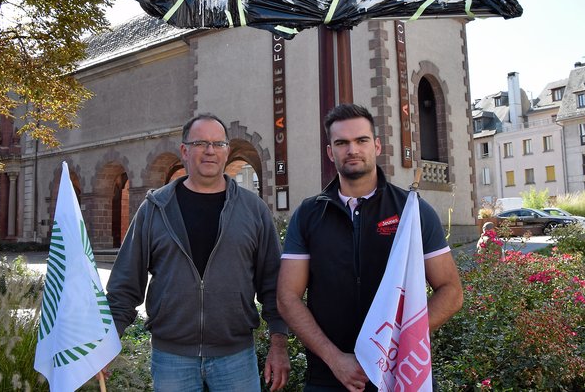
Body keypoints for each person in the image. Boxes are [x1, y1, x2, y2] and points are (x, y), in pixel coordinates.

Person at [277, 103, 464, 391]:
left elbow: (451, 291)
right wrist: (335, 358)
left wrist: (397, 343)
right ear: (330, 152)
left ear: (376, 146)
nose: (352, 149)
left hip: (400, 370)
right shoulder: (309, 214)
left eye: (361, 140)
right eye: (341, 143)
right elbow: (287, 297)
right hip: (329, 376)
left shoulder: (412, 211)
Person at [105, 113, 290, 391]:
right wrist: (108, 341)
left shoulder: (253, 210)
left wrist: (279, 344)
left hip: (235, 357)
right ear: (184, 151)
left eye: (218, 143)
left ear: (227, 151)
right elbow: (125, 282)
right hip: (172, 359)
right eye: (200, 143)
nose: (210, 151)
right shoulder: (156, 209)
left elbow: (273, 284)